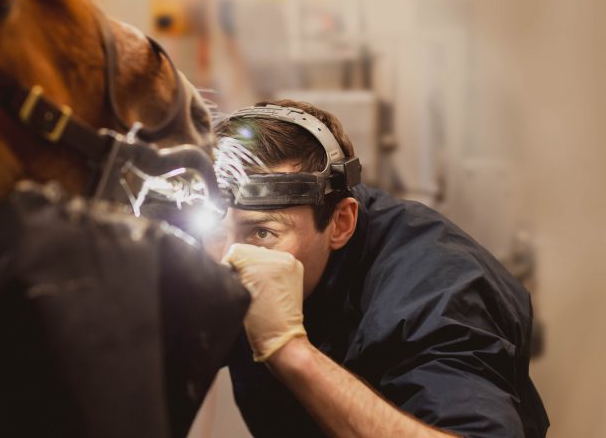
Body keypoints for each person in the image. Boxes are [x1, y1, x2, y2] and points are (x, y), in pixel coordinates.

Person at [204, 100, 549, 437]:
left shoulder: (437, 293)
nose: (227, 259)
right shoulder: (216, 253)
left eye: (262, 233)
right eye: (217, 232)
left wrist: (291, 351)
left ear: (340, 223)